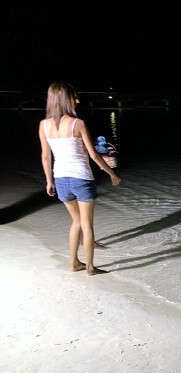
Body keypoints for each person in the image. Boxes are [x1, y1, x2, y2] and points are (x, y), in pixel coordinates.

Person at [39, 82, 122, 275]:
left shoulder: (43, 125)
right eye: (73, 97)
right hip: (81, 179)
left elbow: (45, 156)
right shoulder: (77, 123)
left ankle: (74, 263)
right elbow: (94, 155)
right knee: (86, 223)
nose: (76, 100)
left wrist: (49, 181)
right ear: (65, 100)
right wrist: (113, 175)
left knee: (75, 222)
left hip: (60, 179)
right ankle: (90, 267)